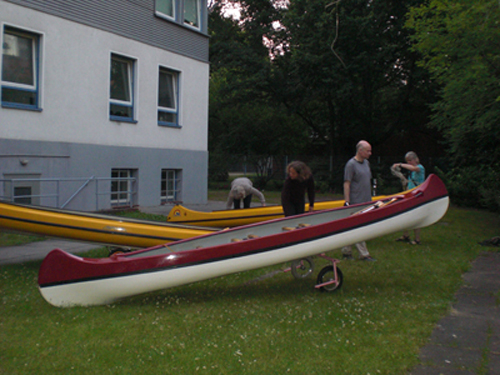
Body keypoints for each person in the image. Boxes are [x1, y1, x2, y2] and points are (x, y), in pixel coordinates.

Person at [341, 140, 376, 261]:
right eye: (368, 151)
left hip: (366, 200)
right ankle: (364, 254)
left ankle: (346, 251)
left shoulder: (366, 163)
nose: (370, 153)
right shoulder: (351, 164)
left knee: (353, 227)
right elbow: (347, 183)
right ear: (360, 151)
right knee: (359, 227)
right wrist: (347, 201)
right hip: (356, 201)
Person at [393, 151, 426, 245]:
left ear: (416, 159)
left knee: (416, 216)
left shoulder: (420, 168)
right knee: (406, 214)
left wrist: (400, 164)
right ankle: (405, 235)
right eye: (407, 161)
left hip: (417, 196)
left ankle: (417, 239)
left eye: (410, 160)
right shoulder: (411, 169)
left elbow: (414, 168)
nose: (409, 163)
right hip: (410, 194)